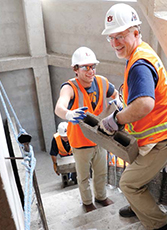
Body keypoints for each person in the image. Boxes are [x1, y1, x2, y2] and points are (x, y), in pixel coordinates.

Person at [99, 3, 167, 230]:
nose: (115, 43)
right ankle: (140, 206)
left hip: (164, 139)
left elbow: (145, 104)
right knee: (131, 171)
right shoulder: (139, 52)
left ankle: (158, 224)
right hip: (159, 137)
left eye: (120, 36)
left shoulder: (139, 64)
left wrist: (116, 119)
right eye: (111, 38)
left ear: (135, 33)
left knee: (128, 184)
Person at [55, 46, 121, 212]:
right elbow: (59, 107)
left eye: (93, 66)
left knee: (101, 173)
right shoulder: (69, 87)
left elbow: (115, 94)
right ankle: (87, 202)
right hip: (80, 142)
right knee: (83, 177)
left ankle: (101, 197)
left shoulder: (102, 82)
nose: (90, 71)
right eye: (85, 67)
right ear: (75, 69)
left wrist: (118, 102)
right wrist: (68, 114)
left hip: (100, 139)